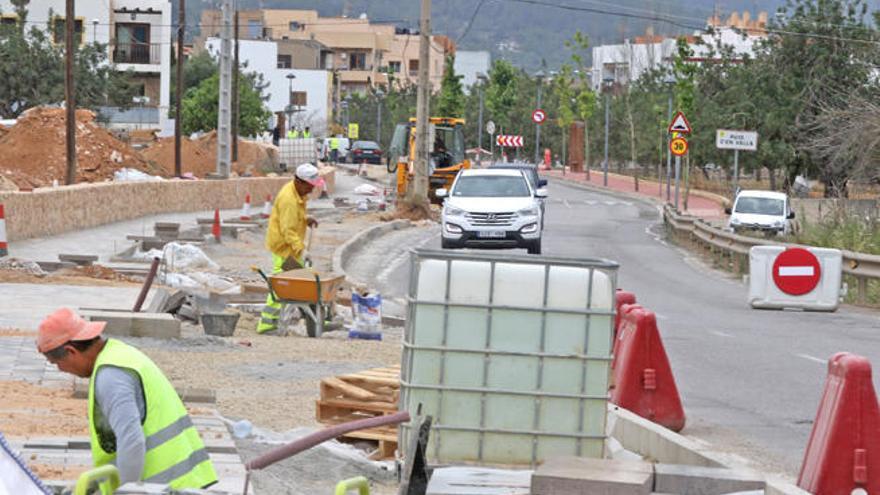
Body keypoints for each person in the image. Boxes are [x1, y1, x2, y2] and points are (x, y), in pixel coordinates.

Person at [36, 308, 217, 490]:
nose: (61, 370)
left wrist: (126, 491)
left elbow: (131, 442)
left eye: (57, 363)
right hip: (183, 483)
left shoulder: (110, 377)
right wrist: (95, 485)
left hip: (165, 487)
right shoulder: (119, 353)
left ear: (71, 351)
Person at [258, 163, 324, 334]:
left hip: (288, 248)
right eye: (310, 186)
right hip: (283, 249)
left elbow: (293, 219)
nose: (311, 190)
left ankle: (309, 317)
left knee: (295, 284)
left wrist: (305, 219)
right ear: (300, 182)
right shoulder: (289, 199)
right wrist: (302, 250)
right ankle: (266, 325)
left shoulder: (296, 192)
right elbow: (288, 231)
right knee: (282, 286)